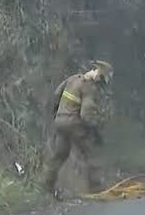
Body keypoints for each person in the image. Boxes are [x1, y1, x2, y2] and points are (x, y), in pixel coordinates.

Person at [42, 60, 114, 198]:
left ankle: (47, 186)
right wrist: (94, 131)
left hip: (60, 122)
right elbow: (86, 114)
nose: (101, 84)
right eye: (102, 80)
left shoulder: (72, 79)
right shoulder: (89, 87)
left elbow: (57, 95)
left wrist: (57, 115)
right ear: (99, 75)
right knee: (90, 153)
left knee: (59, 155)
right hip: (74, 124)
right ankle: (96, 189)